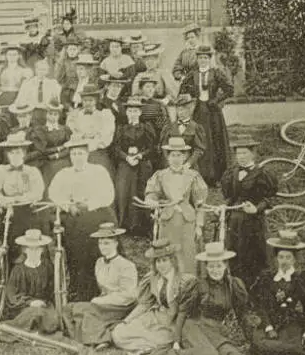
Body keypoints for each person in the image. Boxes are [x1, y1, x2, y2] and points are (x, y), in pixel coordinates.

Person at [144, 241, 259, 355]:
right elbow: (183, 313)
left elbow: (242, 313)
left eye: (218, 266)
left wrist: (251, 340)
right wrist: (176, 340)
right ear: (206, 267)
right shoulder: (198, 285)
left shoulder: (234, 285)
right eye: (211, 266)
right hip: (194, 326)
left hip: (216, 330)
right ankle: (178, 353)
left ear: (226, 266)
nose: (215, 270)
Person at [48, 134, 116, 301]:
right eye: (73, 154)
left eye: (80, 153)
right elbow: (53, 193)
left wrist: (89, 205)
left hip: (95, 214)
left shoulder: (98, 171)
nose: (77, 157)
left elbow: (108, 195)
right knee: (73, 242)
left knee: (95, 242)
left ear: (87, 154)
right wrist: (67, 205)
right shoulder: (64, 173)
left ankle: (98, 285)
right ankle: (77, 286)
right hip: (73, 215)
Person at [111, 239, 197, 355]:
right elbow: (145, 304)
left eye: (164, 260)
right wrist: (127, 320)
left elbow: (186, 312)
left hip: (172, 323)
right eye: (158, 261)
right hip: (155, 317)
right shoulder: (153, 279)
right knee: (118, 333)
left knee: (162, 339)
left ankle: (145, 347)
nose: (161, 265)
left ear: (172, 261)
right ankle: (146, 347)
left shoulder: (184, 281)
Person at [250, 229, 305, 355]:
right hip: (271, 322)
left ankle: (297, 348)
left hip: (291, 323)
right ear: (276, 258)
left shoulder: (301, 279)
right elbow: (260, 305)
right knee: (258, 345)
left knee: (294, 345)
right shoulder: (267, 277)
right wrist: (268, 327)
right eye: (281, 257)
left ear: (294, 259)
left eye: (288, 257)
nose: (284, 261)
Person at [63, 223, 138, 348]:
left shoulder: (126, 266)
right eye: (100, 243)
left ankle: (102, 339)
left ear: (116, 243)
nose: (103, 247)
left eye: (107, 243)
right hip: (104, 304)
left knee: (85, 311)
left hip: (121, 306)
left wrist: (102, 301)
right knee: (69, 308)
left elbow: (129, 295)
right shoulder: (99, 262)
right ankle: (79, 338)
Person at [221, 134, 278, 289]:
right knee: (234, 249)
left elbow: (270, 198)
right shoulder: (232, 172)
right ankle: (237, 285)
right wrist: (224, 207)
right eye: (238, 153)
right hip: (234, 220)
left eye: (245, 153)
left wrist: (256, 209)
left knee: (253, 252)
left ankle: (255, 286)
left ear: (253, 153)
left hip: (254, 221)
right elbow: (231, 196)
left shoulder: (262, 174)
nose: (241, 157)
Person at [144, 137, 208, 275]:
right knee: (167, 253)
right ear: (168, 157)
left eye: (179, 155)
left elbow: (200, 202)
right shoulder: (160, 175)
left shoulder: (193, 175)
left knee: (188, 253)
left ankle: (189, 284)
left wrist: (199, 225)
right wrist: (151, 199)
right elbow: (152, 193)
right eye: (173, 155)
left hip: (187, 220)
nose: (176, 158)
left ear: (185, 157)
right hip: (167, 220)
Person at [0, 131, 46, 261]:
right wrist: (2, 199)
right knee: (11, 247)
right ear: (7, 155)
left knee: (35, 247)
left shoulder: (31, 171)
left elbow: (38, 192)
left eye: (18, 152)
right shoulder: (0, 171)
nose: (15, 156)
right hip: (9, 213)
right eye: (12, 153)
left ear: (24, 153)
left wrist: (19, 199)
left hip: (29, 212)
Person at [179, 44, 234, 185]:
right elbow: (183, 89)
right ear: (197, 59)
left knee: (215, 141)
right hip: (198, 112)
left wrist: (216, 100)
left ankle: (216, 177)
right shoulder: (193, 74)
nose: (203, 60)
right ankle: (201, 174)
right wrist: (190, 98)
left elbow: (229, 89)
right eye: (200, 58)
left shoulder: (216, 73)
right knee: (201, 140)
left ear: (209, 59)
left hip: (213, 112)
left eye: (205, 57)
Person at [112, 97, 156, 236]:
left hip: (142, 162)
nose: (132, 113)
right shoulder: (121, 128)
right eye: (130, 110)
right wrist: (126, 157)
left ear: (140, 112)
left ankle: (141, 226)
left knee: (141, 189)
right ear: (126, 112)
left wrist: (140, 155)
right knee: (123, 187)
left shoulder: (146, 127)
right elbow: (116, 148)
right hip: (125, 162)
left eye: (135, 110)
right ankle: (125, 224)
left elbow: (152, 148)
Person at [3, 229, 59, 334]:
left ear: (42, 250)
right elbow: (11, 294)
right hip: (24, 306)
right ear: (25, 250)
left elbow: (52, 288)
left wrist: (45, 301)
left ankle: (37, 325)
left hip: (44, 304)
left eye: (37, 249)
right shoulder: (18, 269)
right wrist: (30, 302)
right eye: (31, 249)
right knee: (34, 313)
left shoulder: (47, 266)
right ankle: (33, 325)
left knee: (51, 318)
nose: (34, 252)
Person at [66, 84, 115, 179]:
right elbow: (72, 133)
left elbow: (105, 137)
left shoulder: (104, 115)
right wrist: (82, 137)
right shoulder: (76, 115)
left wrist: (90, 143)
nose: (87, 103)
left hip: (97, 151)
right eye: (85, 101)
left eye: (90, 100)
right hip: (79, 150)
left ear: (96, 101)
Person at [158, 94, 206, 173]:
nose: (181, 112)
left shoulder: (195, 127)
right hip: (170, 165)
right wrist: (169, 162)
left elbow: (198, 149)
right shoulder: (169, 127)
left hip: (189, 166)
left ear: (190, 110)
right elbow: (163, 147)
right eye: (179, 109)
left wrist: (188, 164)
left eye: (184, 109)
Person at [14, 59, 61, 127]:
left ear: (47, 71)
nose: (41, 72)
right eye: (39, 69)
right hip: (32, 112)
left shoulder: (52, 84)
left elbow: (56, 101)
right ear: (35, 70)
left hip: (47, 112)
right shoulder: (27, 83)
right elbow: (20, 99)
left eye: (44, 69)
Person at [131, 45, 176, 111]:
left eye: (152, 59)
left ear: (157, 60)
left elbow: (172, 94)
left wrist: (164, 101)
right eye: (146, 59)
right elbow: (134, 95)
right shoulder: (139, 76)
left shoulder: (163, 74)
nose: (149, 62)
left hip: (161, 105)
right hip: (143, 106)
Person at [0, 44, 33, 109]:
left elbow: (25, 88)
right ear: (6, 56)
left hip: (18, 97)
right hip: (3, 98)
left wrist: (19, 100)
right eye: (9, 54)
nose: (12, 57)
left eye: (14, 55)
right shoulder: (1, 70)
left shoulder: (25, 71)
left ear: (19, 56)